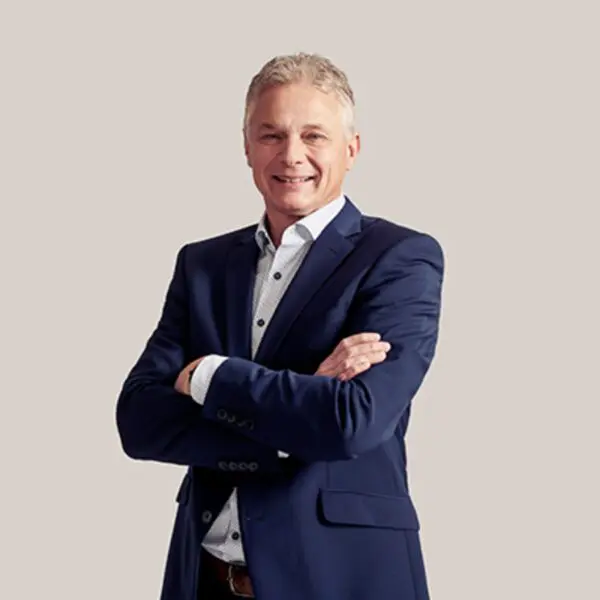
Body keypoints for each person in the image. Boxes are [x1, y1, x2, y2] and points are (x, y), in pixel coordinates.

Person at [116, 52, 444, 600]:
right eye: (271, 135)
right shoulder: (202, 264)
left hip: (341, 578)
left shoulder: (400, 258)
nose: (292, 155)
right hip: (204, 579)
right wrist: (298, 413)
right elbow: (138, 420)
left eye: (314, 136)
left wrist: (209, 377)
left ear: (351, 149)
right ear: (246, 147)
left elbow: (352, 421)